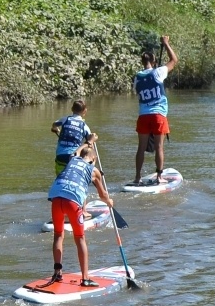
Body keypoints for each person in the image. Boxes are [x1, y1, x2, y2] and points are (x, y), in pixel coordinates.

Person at [43, 139, 116, 287]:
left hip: (56, 196)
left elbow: (77, 151)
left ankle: (57, 273)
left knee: (58, 234)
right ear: (93, 159)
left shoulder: (73, 159)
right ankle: (85, 278)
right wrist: (109, 202)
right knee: (80, 238)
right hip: (73, 201)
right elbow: (102, 195)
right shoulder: (94, 171)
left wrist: (87, 142)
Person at [133, 35, 179, 184]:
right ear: (153, 62)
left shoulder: (137, 78)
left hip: (143, 116)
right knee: (159, 147)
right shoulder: (158, 72)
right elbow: (174, 61)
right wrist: (166, 44)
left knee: (141, 148)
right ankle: (159, 176)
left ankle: (137, 177)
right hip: (158, 115)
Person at [51, 98, 94, 174]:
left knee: (60, 177)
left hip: (60, 156)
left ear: (71, 109)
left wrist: (56, 129)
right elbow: (90, 143)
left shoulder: (65, 120)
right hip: (74, 157)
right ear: (85, 111)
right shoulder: (84, 126)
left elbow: (54, 124)